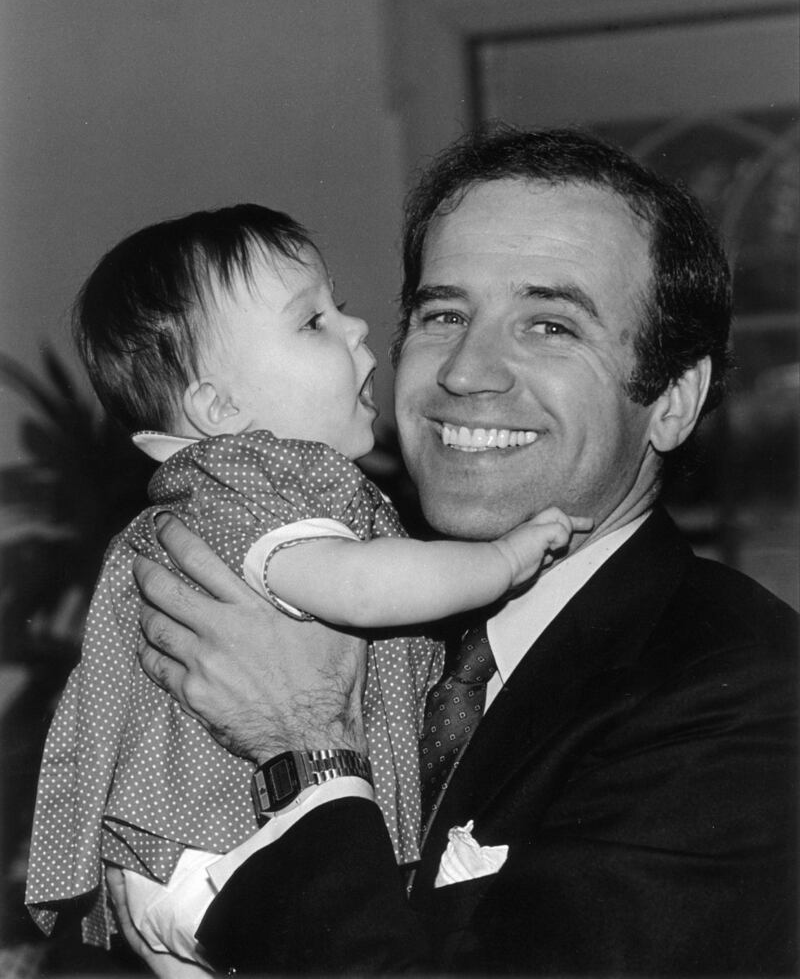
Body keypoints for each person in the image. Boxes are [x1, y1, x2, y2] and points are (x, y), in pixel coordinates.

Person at [117, 128, 797, 975]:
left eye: (550, 324)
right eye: (443, 314)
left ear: (671, 400)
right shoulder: (337, 597)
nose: (469, 371)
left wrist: (307, 748)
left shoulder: (746, 687)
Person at [24, 203, 588, 965]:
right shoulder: (247, 479)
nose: (356, 331)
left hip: (206, 857)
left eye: (342, 309)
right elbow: (354, 587)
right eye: (312, 323)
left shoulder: (263, 485)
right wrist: (506, 559)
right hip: (222, 846)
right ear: (219, 408)